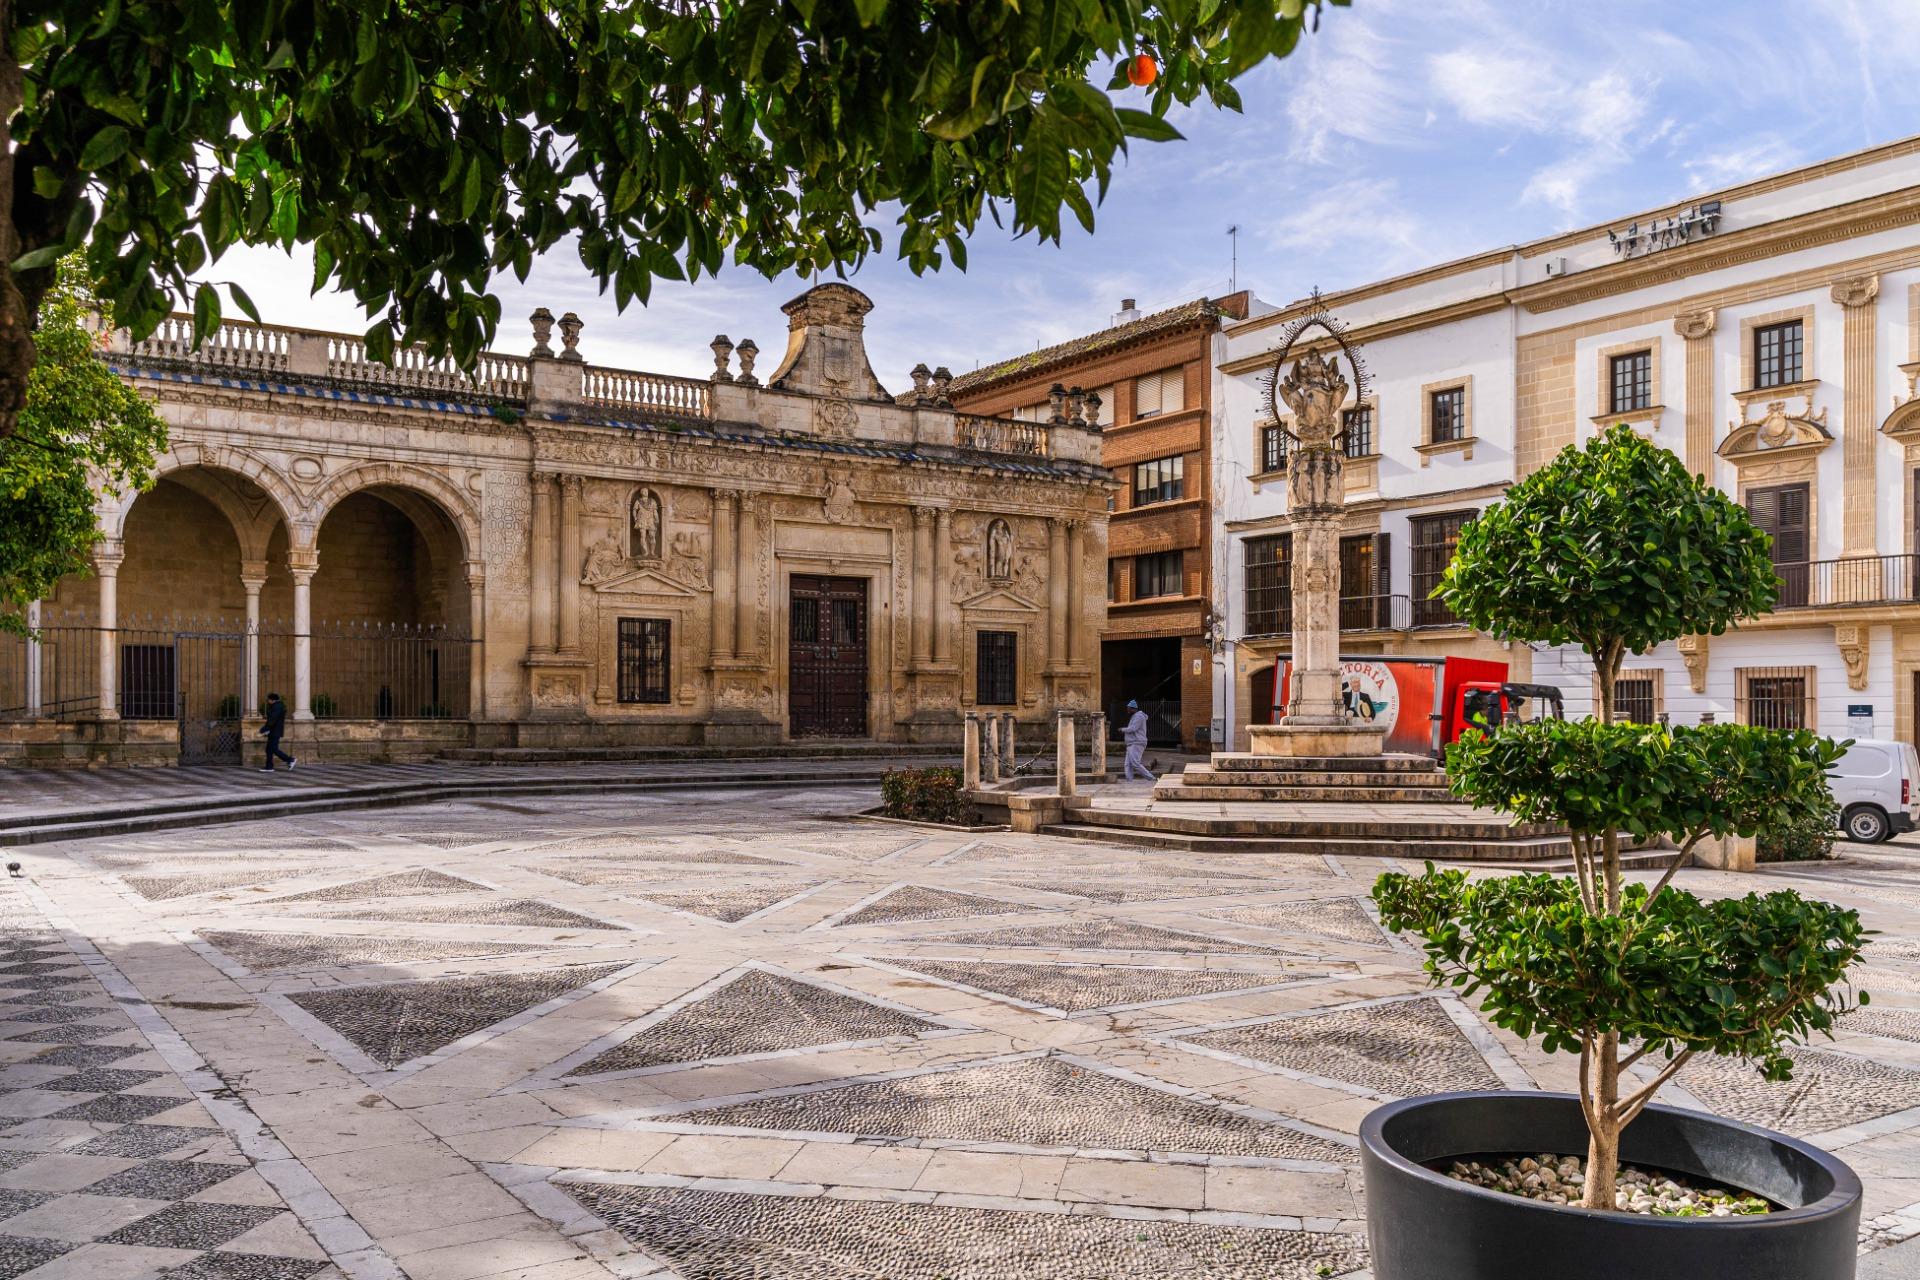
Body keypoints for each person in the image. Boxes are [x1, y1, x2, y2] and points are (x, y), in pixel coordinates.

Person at [259, 692, 296, 772]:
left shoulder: (277, 707)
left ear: (272, 700)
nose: (267, 701)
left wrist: (265, 728)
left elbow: (272, 719)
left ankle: (290, 760)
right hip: (274, 730)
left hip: (275, 731)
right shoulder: (276, 706)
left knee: (273, 749)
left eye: (268, 699)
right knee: (269, 749)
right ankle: (269, 767)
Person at [1121, 698, 1155, 782]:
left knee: (1135, 763)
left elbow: (1133, 728)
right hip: (1131, 743)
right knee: (1127, 764)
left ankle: (1151, 778)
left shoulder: (1139, 716)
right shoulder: (1134, 716)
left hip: (1137, 742)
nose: (1127, 710)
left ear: (1134, 709)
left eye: (1129, 708)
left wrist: (1122, 730)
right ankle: (1129, 781)